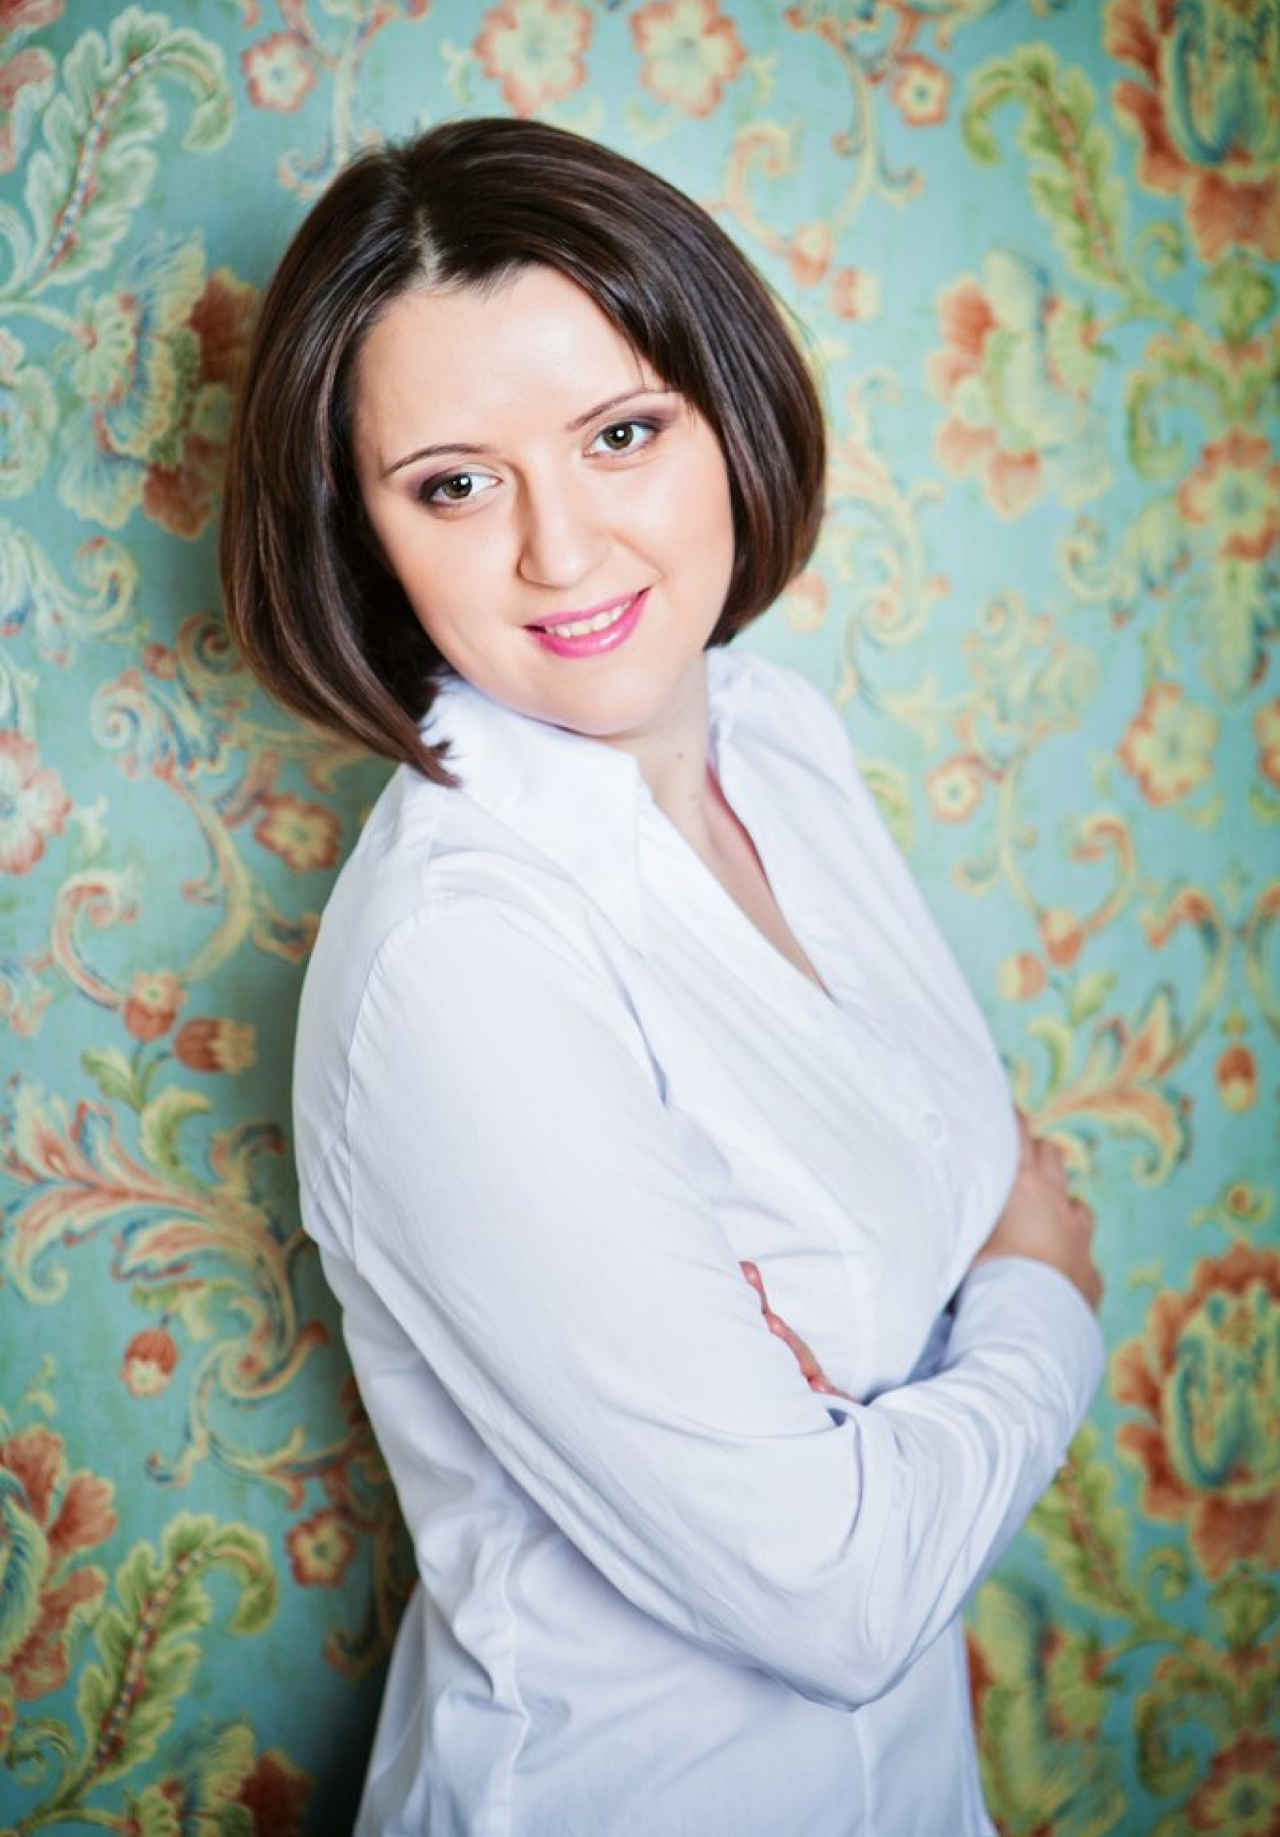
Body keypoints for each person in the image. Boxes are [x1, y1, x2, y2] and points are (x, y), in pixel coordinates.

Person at [220, 116, 1104, 1837]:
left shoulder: (780, 738)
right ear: (364, 533)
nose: (561, 552)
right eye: (455, 484)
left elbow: (963, 1173)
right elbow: (838, 1594)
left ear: (729, 414)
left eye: (621, 433)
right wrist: (1038, 1297)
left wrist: (875, 1387)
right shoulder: (458, 961)